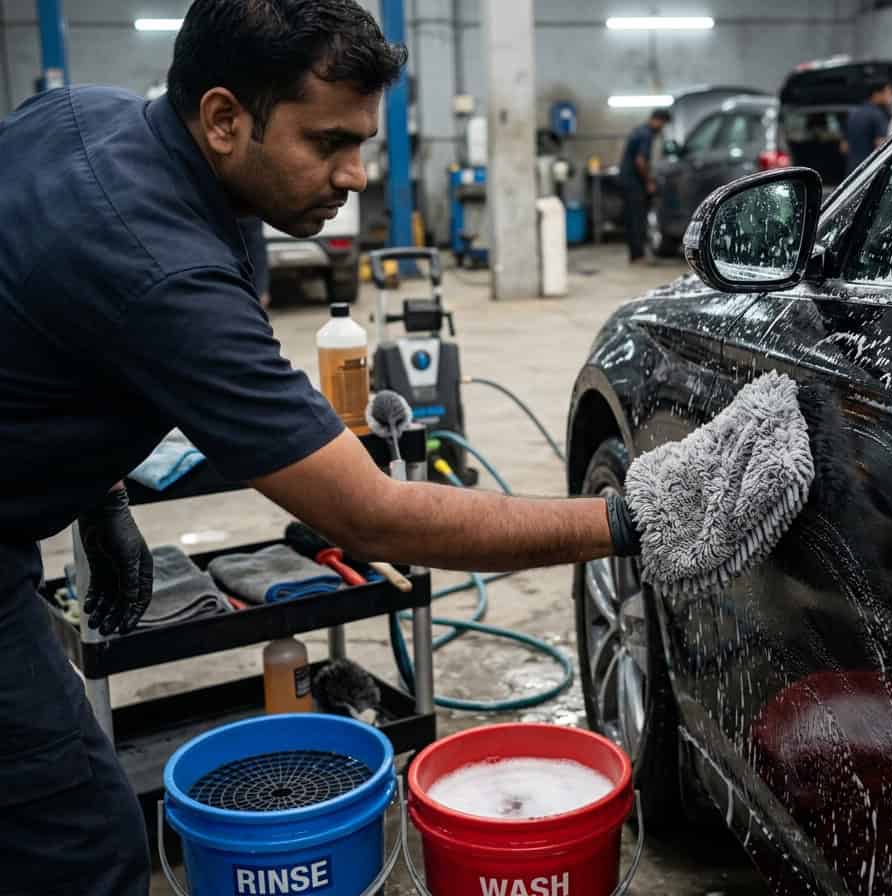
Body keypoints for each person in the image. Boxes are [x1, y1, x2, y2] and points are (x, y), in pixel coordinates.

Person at [0, 2, 641, 892]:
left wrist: (97, 490)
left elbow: (48, 321)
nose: (355, 174)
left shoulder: (82, 115)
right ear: (224, 119)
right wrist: (630, 520)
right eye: (328, 141)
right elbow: (371, 516)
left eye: (364, 140)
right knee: (81, 846)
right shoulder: (164, 268)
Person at [618, 107, 672, 263]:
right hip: (634, 182)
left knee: (632, 217)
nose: (663, 128)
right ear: (658, 120)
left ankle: (635, 254)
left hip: (627, 181)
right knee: (637, 218)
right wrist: (649, 181)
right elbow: (640, 161)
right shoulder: (646, 134)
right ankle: (638, 256)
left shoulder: (639, 130)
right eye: (663, 124)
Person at [843, 80, 892, 172]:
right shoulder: (878, 115)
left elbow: (844, 147)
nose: (891, 96)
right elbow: (881, 145)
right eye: (888, 92)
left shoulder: (853, 113)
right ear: (876, 94)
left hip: (852, 171)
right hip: (869, 171)